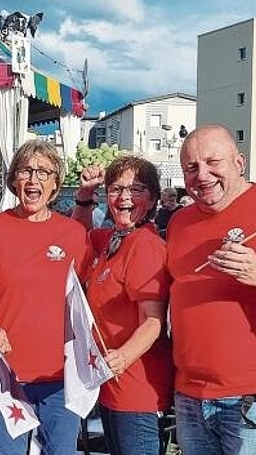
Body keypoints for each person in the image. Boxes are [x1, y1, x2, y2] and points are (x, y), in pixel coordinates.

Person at [168, 125, 256, 454]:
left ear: (239, 163)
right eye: (191, 167)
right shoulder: (179, 222)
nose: (202, 175)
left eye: (213, 162)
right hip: (191, 397)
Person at [0, 139, 87, 455]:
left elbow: (89, 300)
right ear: (13, 180)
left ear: (55, 183)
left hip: (62, 376)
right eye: (26, 170)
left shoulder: (74, 234)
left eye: (43, 172)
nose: (34, 179)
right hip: (7, 374)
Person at [74, 157, 174, 455]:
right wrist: (85, 194)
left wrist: (121, 357)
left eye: (137, 189)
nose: (125, 197)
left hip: (137, 389)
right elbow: (78, 236)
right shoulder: (113, 239)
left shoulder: (145, 245)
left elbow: (153, 320)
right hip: (111, 385)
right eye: (116, 189)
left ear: (154, 198)